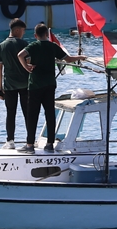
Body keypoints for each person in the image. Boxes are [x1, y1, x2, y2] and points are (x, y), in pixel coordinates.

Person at [17, 23, 82, 153]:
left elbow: (20, 55)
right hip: (50, 84)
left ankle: (29, 145)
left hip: (35, 85)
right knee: (50, 114)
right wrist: (80, 57)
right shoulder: (53, 46)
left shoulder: (33, 46)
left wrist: (26, 67)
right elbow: (68, 59)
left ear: (35, 35)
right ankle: (50, 144)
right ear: (47, 34)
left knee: (32, 115)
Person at [0, 19, 30, 149]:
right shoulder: (24, 44)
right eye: (22, 31)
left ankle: (10, 141)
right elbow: (29, 64)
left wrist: (0, 88)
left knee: (11, 113)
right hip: (26, 85)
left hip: (9, 86)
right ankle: (29, 141)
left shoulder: (2, 46)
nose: (23, 34)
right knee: (28, 113)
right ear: (16, 30)